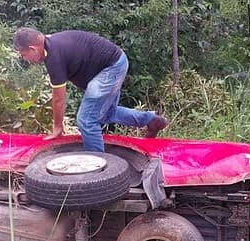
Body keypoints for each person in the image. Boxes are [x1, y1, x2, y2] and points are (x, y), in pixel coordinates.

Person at [14, 28, 168, 153]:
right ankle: (151, 120)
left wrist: (58, 128)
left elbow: (59, 99)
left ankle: (97, 168)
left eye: (24, 55)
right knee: (106, 113)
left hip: (111, 68)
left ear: (33, 49)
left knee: (86, 120)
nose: (26, 59)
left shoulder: (54, 57)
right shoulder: (49, 42)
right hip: (117, 62)